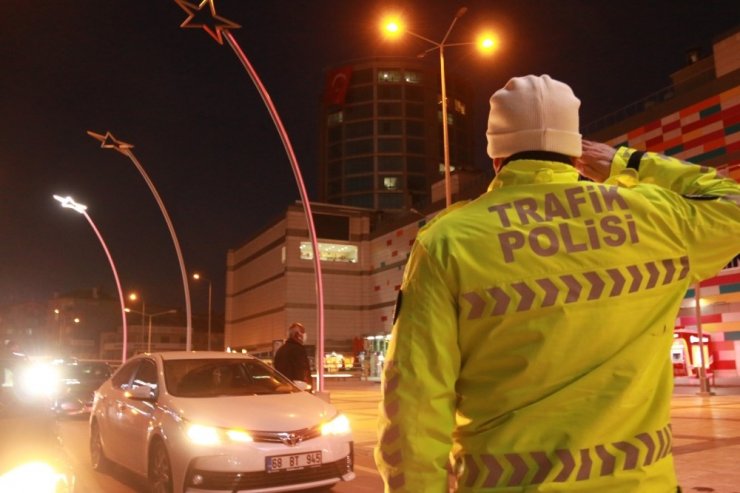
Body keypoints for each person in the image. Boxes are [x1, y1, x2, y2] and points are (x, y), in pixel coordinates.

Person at [375, 74, 740, 492]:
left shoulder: (449, 241)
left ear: (497, 157)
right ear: (577, 153)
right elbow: (732, 202)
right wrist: (628, 163)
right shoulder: (656, 218)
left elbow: (415, 401)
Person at [273, 322, 312, 387]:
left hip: (282, 386)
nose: (304, 335)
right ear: (298, 335)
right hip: (296, 387)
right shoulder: (298, 350)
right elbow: (302, 370)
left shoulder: (281, 349)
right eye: (302, 332)